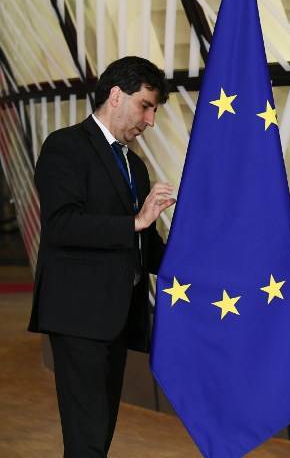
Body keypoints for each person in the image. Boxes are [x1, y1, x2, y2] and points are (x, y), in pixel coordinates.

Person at [28, 56, 176, 457]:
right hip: (78, 315)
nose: (150, 120)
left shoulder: (135, 166)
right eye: (145, 106)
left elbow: (146, 248)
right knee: (88, 437)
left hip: (116, 319)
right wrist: (135, 221)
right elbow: (61, 226)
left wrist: (202, 260)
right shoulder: (65, 147)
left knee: (99, 432)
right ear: (115, 96)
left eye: (154, 111)